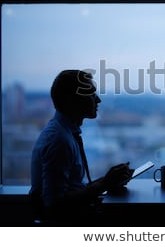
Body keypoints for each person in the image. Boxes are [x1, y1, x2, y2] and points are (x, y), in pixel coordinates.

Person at [30, 69, 134, 225]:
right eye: (91, 94)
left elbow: (71, 189)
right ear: (73, 100)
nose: (97, 100)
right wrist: (104, 184)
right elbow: (55, 204)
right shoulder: (60, 141)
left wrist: (107, 180)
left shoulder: (62, 133)